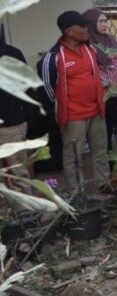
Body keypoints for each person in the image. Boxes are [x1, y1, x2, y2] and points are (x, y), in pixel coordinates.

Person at [37, 11, 108, 193]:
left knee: (100, 151)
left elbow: (95, 76)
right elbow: (47, 88)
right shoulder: (53, 57)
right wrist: (63, 107)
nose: (86, 29)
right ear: (69, 31)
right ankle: (77, 192)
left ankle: (104, 184)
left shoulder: (89, 50)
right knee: (74, 156)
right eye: (82, 26)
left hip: (97, 111)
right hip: (73, 116)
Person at [83, 8, 117, 173]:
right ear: (91, 23)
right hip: (105, 94)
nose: (105, 24)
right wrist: (110, 85)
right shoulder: (88, 46)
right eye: (101, 21)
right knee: (106, 132)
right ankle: (110, 171)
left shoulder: (112, 40)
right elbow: (93, 70)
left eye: (106, 21)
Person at [0, 34, 36, 192]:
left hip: (12, 125)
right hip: (13, 122)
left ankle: (26, 214)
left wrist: (25, 115)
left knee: (19, 176)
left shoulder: (12, 54)